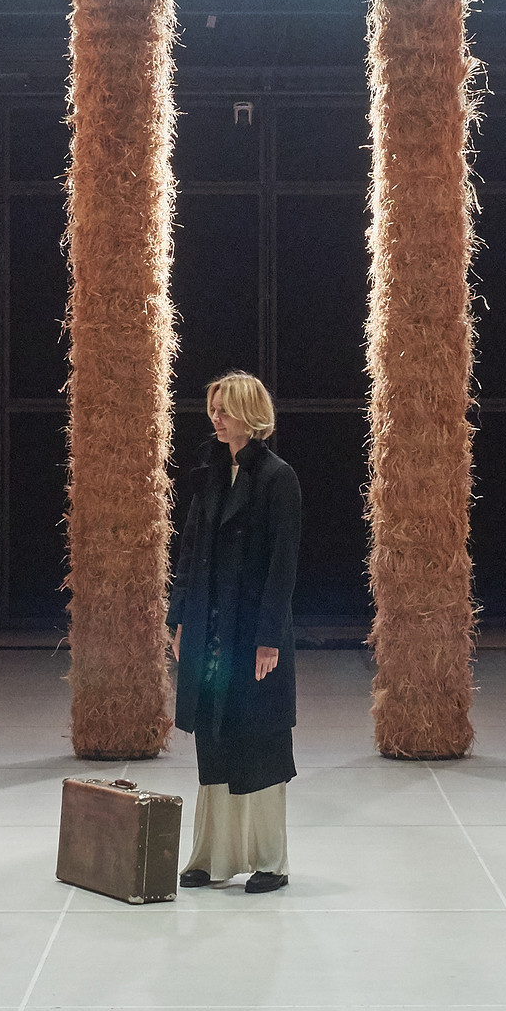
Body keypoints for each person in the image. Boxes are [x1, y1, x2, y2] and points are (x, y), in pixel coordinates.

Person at [170, 370, 303, 893]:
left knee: (260, 742)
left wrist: (269, 637)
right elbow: (188, 552)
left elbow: (282, 565)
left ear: (249, 414)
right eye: (213, 409)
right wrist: (179, 619)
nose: (215, 417)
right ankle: (211, 857)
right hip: (210, 627)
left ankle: (271, 861)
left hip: (252, 633)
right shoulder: (208, 474)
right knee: (214, 741)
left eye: (224, 409)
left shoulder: (278, 477)